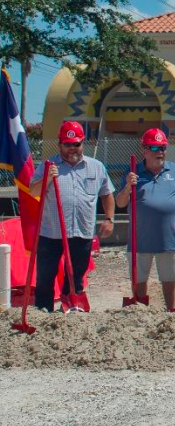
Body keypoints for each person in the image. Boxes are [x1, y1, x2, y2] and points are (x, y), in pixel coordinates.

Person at [31, 121, 114, 311]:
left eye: (76, 144)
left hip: (81, 233)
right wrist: (47, 179)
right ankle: (43, 312)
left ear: (82, 144)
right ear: (59, 144)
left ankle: (70, 309)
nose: (72, 149)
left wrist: (109, 219)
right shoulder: (48, 166)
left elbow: (107, 194)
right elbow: (33, 191)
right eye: (67, 144)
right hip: (51, 233)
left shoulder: (96, 166)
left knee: (75, 277)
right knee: (45, 277)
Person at [115, 127, 175, 311]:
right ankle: (140, 311)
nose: (160, 152)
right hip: (140, 239)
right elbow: (121, 203)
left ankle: (171, 311)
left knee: (170, 279)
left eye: (163, 147)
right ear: (144, 150)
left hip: (169, 237)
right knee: (139, 280)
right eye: (155, 148)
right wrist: (127, 187)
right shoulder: (133, 172)